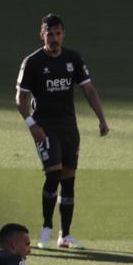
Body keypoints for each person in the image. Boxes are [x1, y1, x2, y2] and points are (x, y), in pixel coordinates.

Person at [15, 13, 109, 249]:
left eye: (58, 34)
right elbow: (20, 97)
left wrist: (102, 119)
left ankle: (64, 234)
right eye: (50, 34)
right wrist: (31, 124)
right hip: (45, 128)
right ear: (42, 35)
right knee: (53, 174)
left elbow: (89, 90)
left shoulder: (73, 59)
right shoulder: (33, 62)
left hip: (69, 128)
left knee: (68, 180)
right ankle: (46, 227)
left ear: (63, 34)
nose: (54, 39)